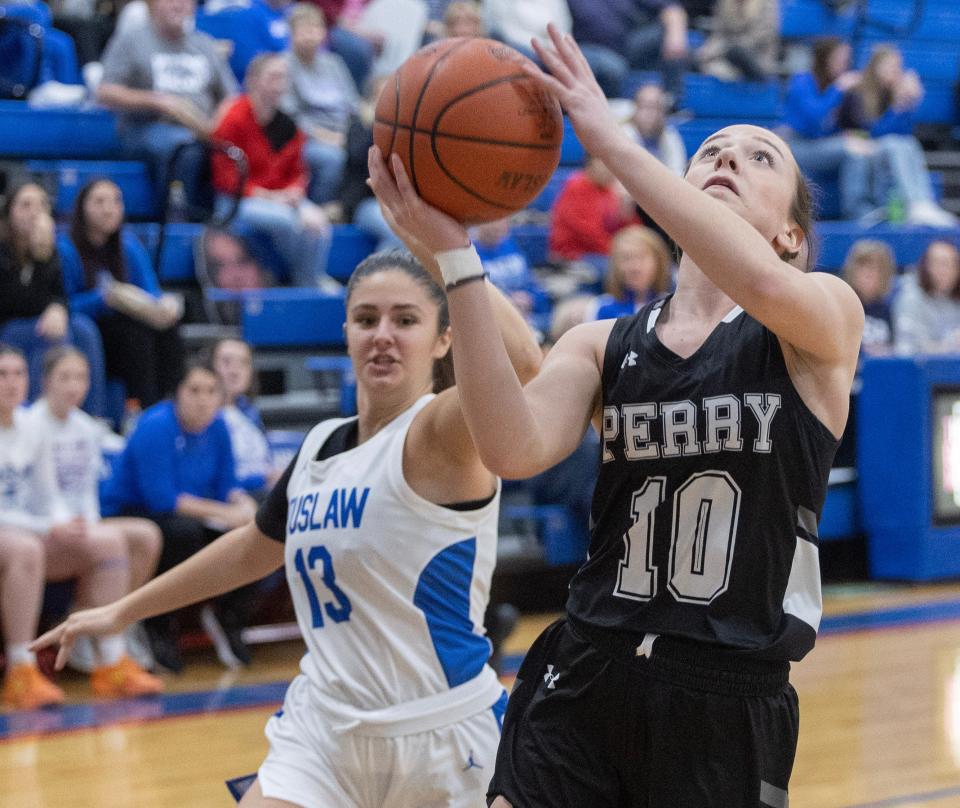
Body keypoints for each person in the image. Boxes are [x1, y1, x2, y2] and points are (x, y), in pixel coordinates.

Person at [366, 25, 863, 806]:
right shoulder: (601, 343)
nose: (728, 157)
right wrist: (453, 259)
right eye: (712, 151)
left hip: (725, 695)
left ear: (792, 237)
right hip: (587, 665)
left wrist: (618, 144)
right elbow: (512, 448)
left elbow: (764, 290)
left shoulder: (821, 318)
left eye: (760, 156)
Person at [33, 214, 542, 806]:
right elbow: (253, 547)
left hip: (443, 733)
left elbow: (525, 367)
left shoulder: (441, 431)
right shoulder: (321, 445)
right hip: (323, 731)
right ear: (346, 331)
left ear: (444, 339)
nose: (383, 334)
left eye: (406, 320)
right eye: (366, 319)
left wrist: (441, 248)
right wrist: (121, 610)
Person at [0, 345, 161, 709]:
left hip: (28, 530)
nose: (11, 383)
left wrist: (60, 523)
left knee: (107, 543)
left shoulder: (30, 428)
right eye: (2, 374)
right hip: (16, 533)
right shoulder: (41, 422)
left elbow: (48, 493)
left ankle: (110, 660)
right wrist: (47, 525)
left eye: (17, 373)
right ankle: (20, 670)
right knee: (26, 547)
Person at [100, 361, 260, 672]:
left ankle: (228, 615)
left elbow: (227, 485)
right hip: (133, 512)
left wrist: (243, 506)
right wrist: (225, 513)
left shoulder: (219, 426)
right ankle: (157, 623)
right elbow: (162, 499)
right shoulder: (156, 425)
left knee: (258, 528)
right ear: (177, 394)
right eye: (194, 390)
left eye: (211, 391)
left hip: (192, 512)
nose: (203, 399)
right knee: (183, 533)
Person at [97, 0, 239, 215]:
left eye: (186, 1)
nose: (180, 5)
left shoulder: (204, 44)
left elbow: (232, 97)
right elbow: (106, 92)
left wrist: (217, 123)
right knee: (182, 147)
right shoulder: (132, 40)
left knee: (234, 147)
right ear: (153, 5)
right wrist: (157, 101)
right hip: (146, 127)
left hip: (203, 128)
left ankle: (224, 222)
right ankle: (176, 218)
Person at [59, 178, 186, 410]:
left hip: (129, 322)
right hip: (95, 328)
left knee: (168, 328)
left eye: (116, 201)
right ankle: (145, 409)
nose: (109, 209)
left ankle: (176, 402)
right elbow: (64, 304)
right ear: (82, 207)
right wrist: (102, 299)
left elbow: (151, 291)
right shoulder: (67, 250)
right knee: (135, 336)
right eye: (99, 201)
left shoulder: (128, 246)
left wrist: (164, 305)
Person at [211, 53, 335, 289]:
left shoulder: (289, 124)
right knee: (286, 220)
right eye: (274, 77)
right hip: (236, 200)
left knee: (319, 224)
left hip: (280, 197)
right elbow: (226, 180)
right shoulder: (232, 118)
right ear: (253, 80)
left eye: (284, 78)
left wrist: (296, 194)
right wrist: (275, 198)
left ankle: (307, 284)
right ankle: (300, 280)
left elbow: (298, 172)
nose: (280, 84)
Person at [0, 180, 107, 416]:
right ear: (9, 212)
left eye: (41, 205)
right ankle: (50, 415)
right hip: (7, 325)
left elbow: (60, 294)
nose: (35, 213)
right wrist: (40, 259)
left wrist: (58, 309)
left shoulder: (52, 249)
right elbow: (12, 304)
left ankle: (94, 417)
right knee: (52, 334)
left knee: (84, 330)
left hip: (35, 321)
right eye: (26, 205)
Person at [837, 44, 956, 229]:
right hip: (862, 147)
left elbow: (905, 132)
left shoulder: (891, 92)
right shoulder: (859, 91)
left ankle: (924, 201)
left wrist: (909, 103)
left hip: (884, 147)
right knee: (893, 144)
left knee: (909, 142)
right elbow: (872, 131)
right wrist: (899, 106)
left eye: (898, 67)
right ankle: (913, 203)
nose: (896, 72)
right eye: (891, 66)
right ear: (877, 66)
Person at [779, 36, 873, 220]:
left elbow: (838, 126)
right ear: (825, 58)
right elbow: (813, 120)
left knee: (864, 147)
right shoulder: (802, 81)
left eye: (846, 59)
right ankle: (857, 212)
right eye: (840, 58)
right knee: (853, 152)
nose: (844, 64)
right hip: (796, 145)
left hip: (817, 145)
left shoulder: (835, 85)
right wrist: (838, 89)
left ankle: (877, 206)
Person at [282, 3, 358, 206]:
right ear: (291, 33)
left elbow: (353, 106)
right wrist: (331, 138)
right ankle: (318, 208)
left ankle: (347, 209)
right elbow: (290, 119)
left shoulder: (334, 63)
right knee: (332, 158)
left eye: (316, 28)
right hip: (306, 139)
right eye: (304, 29)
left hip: (342, 134)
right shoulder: (284, 66)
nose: (311, 34)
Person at [210, 337, 276, 498]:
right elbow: (209, 481)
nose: (234, 371)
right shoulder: (204, 414)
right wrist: (262, 478)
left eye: (243, 363)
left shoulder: (249, 410)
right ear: (210, 366)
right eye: (226, 362)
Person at [549, 154, 641, 261]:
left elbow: (634, 232)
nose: (611, 170)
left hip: (604, 253)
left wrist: (627, 217)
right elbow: (587, 234)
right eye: (605, 163)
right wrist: (620, 253)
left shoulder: (610, 191)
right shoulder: (577, 187)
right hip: (574, 256)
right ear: (591, 164)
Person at [590, 224, 672, 320]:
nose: (635, 267)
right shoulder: (601, 307)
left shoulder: (671, 307)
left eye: (641, 257)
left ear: (658, 261)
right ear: (615, 265)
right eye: (626, 258)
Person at [893, 239, 960, 355]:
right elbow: (909, 349)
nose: (944, 270)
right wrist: (951, 344)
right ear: (925, 266)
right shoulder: (910, 299)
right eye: (938, 263)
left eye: (951, 264)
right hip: (920, 371)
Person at [695, 0, 779, 82]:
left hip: (757, 57)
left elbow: (758, 37)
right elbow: (719, 33)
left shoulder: (766, 3)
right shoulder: (724, 3)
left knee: (737, 52)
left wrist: (723, 48)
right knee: (695, 58)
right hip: (726, 54)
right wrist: (707, 50)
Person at [841, 239, 896, 356]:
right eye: (863, 267)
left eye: (876, 269)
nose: (869, 274)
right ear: (852, 271)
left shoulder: (887, 310)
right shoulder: (843, 306)